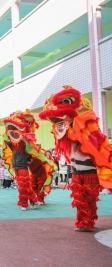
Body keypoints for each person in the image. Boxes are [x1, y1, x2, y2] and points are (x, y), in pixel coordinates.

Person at [39, 85, 112, 231]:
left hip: (89, 169)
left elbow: (89, 139)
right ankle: (82, 222)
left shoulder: (87, 128)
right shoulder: (68, 129)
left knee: (90, 196)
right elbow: (62, 134)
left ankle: (88, 221)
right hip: (76, 169)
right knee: (79, 197)